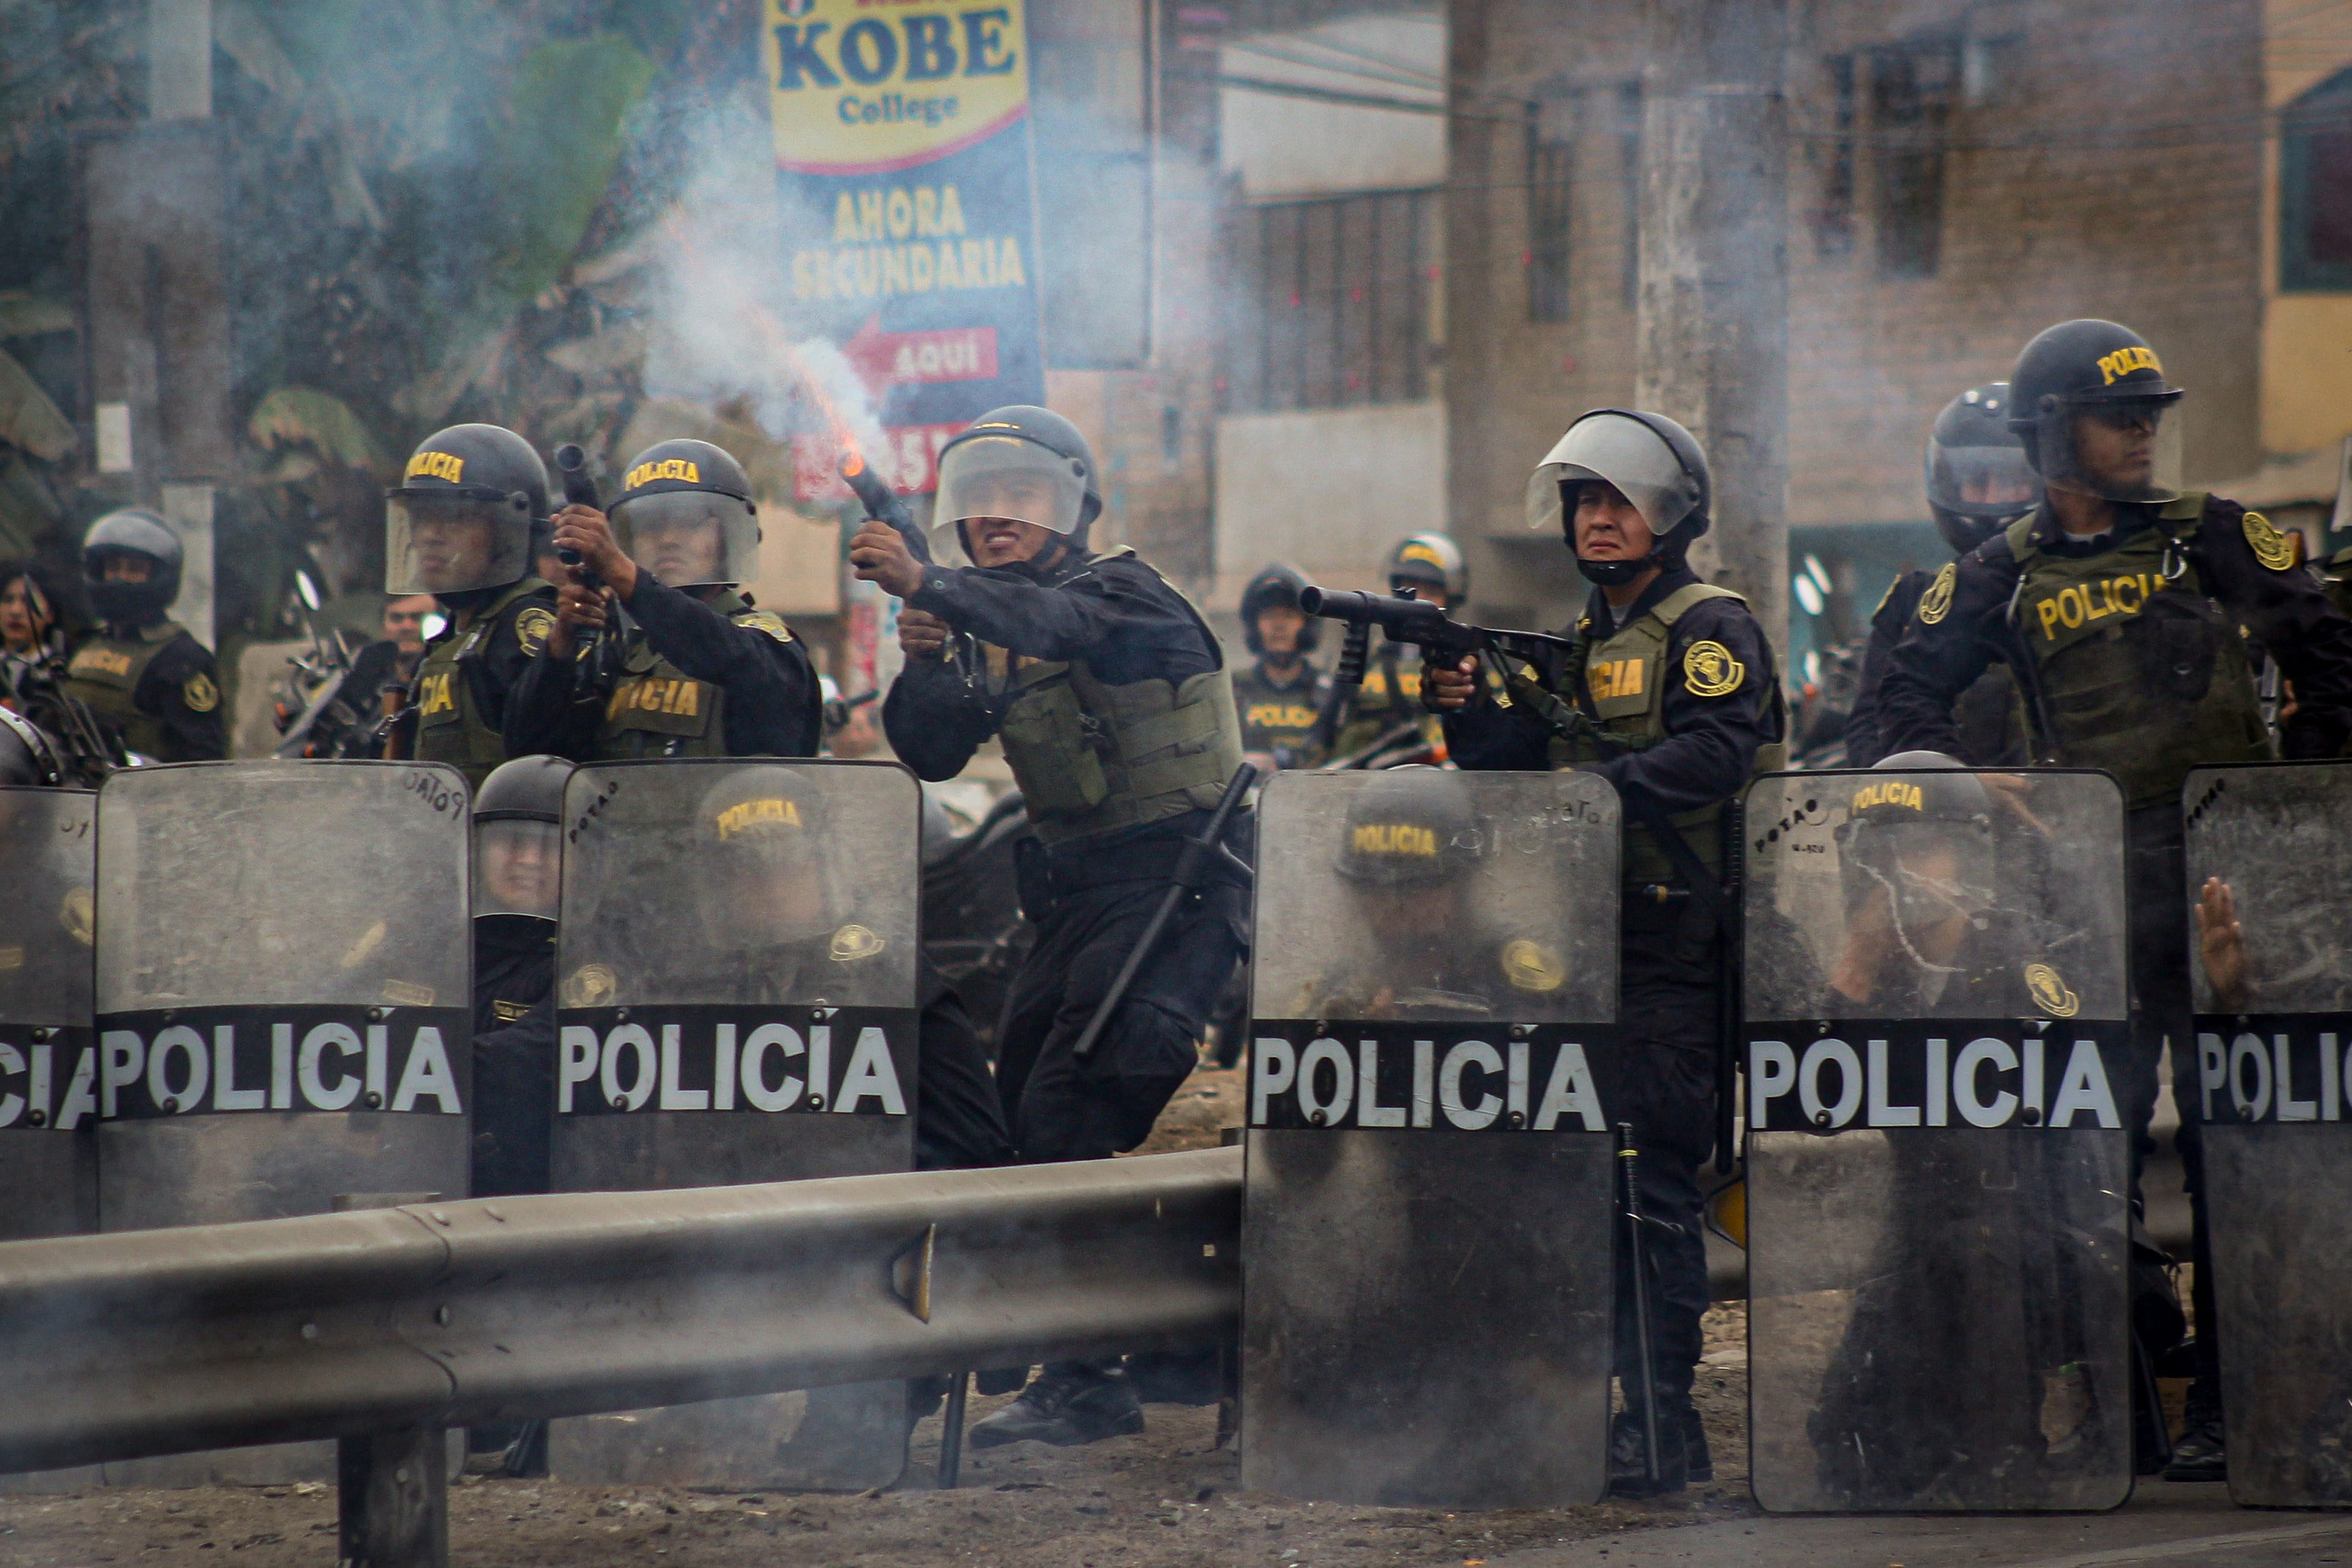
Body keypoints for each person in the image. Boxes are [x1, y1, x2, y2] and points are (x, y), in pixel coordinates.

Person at [1874, 319, 2352, 1483]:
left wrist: (2289, 819)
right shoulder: (1996, 572)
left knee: (2244, 1159)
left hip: (2231, 903)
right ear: (2052, 434)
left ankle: (2241, 1416)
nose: (2144, 430)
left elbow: (2334, 666)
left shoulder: (2217, 538)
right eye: (2116, 414)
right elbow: (1896, 711)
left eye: (2150, 413)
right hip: (2086, 906)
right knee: (2084, 1166)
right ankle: (2120, 1412)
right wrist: (1968, 782)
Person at [856, 403, 1249, 1448]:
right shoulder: (992, 623)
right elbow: (932, 753)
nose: (995, 517)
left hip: (1179, 893)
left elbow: (1060, 628)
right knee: (1014, 1125)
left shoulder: (1122, 593)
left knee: (1082, 1095)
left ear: (1074, 506)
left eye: (1021, 496)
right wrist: (928, 656)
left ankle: (1098, 1369)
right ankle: (1053, 1339)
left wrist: (931, 586)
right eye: (976, 500)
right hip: (1070, 904)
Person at [1427, 407, 1784, 1495]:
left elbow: (1717, 750)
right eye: (1582, 500)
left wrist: (1590, 798)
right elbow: (1515, 772)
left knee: (1649, 1185)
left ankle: (1665, 1425)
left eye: (1618, 499)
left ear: (1669, 514)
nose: (1597, 518)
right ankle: (1575, 1411)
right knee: (1566, 1177)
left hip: (1679, 945)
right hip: (1576, 944)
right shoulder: (1579, 643)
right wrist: (1466, 712)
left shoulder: (1706, 626)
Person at [504, 439, 821, 761]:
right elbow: (529, 754)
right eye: (651, 526)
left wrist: (624, 577)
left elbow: (719, 650)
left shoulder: (765, 645)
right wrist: (560, 649)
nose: (668, 540)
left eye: (688, 522)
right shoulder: (616, 653)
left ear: (728, 537)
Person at [1844, 385, 2039, 768]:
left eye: (2010, 481)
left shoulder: (2066, 587)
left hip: (2065, 807)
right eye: (1977, 482)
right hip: (1941, 811)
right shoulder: (1915, 599)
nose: (1992, 498)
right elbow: (1871, 730)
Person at [385, 423, 560, 788]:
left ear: (508, 531)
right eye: (421, 518)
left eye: (454, 517)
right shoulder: (454, 634)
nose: (430, 535)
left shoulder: (524, 626)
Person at [469, 754, 571, 1201]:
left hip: (536, 1203)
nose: (528, 859)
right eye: (510, 839)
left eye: (551, 844)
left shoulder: (594, 957)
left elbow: (531, 1058)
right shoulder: (436, 942)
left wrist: (398, 1056)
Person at [60, 510, 224, 762]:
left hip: (142, 797)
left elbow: (201, 761)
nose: (120, 579)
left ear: (159, 576)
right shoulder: (85, 644)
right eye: (112, 568)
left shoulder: (181, 659)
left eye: (134, 569)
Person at [1325, 533, 1463, 764]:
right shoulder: (1363, 661)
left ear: (1450, 599)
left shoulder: (1470, 668)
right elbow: (1325, 738)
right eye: (1409, 590)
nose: (1418, 600)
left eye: (1430, 592)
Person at [1232, 562, 1333, 773]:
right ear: (1254, 626)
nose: (1279, 625)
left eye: (1288, 616)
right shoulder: (1232, 690)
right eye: (1269, 616)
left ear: (1306, 625)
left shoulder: (1332, 694)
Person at [339, 593, 436, 728]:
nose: (406, 626)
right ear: (382, 626)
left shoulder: (445, 671)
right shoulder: (367, 669)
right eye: (397, 618)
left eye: (417, 617)